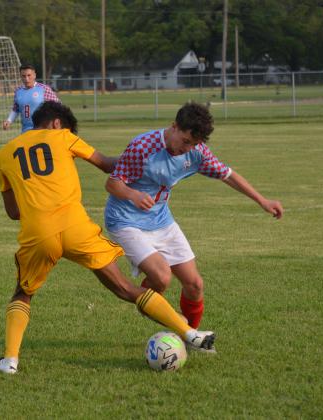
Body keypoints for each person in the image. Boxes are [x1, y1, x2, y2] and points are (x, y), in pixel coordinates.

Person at [0, 101, 215, 374]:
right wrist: (139, 162)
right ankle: (190, 333)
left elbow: (12, 212)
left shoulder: (3, 155)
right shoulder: (63, 136)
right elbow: (107, 164)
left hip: (38, 232)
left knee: (23, 293)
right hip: (76, 228)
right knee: (125, 288)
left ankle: (10, 359)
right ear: (58, 124)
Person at [104, 102, 284, 341]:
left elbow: (227, 175)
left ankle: (187, 335)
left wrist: (262, 200)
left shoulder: (196, 152)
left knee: (195, 285)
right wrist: (133, 195)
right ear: (174, 126)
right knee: (162, 277)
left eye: (195, 144)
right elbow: (112, 183)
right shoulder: (143, 146)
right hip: (125, 220)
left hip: (160, 220)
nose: (187, 149)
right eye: (186, 141)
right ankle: (179, 326)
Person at [2, 64, 60, 133]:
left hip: (42, 131)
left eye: (29, 75)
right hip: (26, 131)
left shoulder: (43, 89)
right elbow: (16, 109)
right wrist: (9, 120)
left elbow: (58, 106)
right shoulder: (18, 91)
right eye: (23, 76)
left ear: (34, 75)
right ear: (20, 76)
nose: (26, 79)